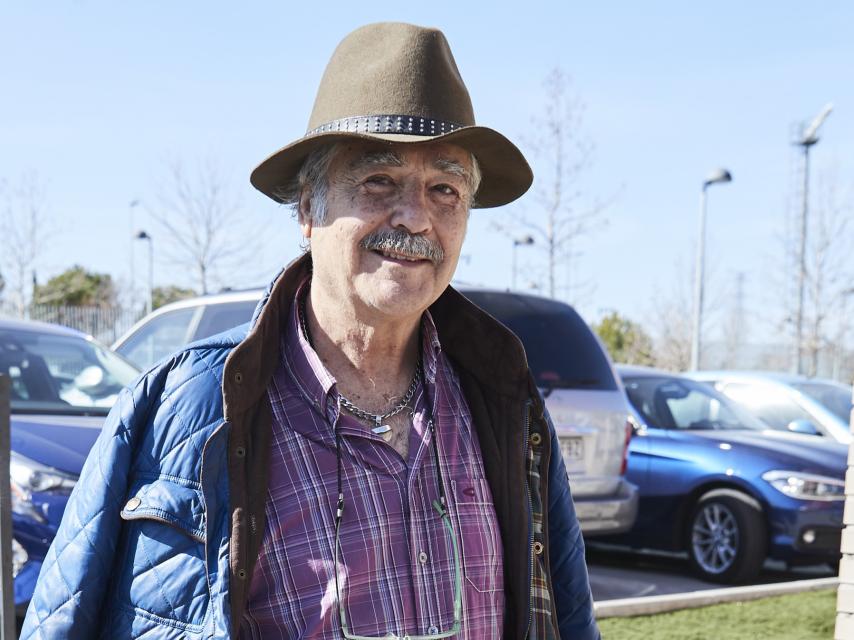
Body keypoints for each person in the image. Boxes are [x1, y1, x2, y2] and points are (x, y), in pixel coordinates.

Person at [22, 22, 599, 639]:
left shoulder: (502, 403)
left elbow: (563, 616)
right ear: (307, 208)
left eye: (445, 190)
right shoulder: (185, 409)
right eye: (380, 180)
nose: (416, 218)